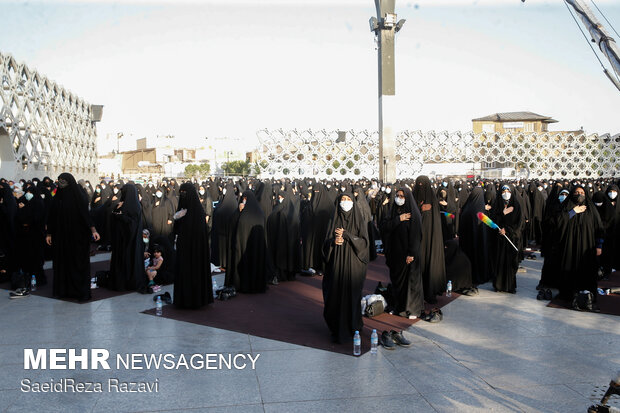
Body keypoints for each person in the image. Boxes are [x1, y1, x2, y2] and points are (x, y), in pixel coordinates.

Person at [322, 192, 369, 343]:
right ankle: (336, 328)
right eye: (342, 199)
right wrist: (333, 243)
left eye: (348, 199)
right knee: (334, 295)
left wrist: (348, 235)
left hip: (353, 266)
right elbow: (324, 244)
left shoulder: (358, 219)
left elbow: (364, 244)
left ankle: (352, 325)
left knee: (351, 297)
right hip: (336, 266)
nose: (345, 202)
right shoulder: (333, 218)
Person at [46, 173, 100, 301]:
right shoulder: (57, 197)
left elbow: (85, 215)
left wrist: (93, 230)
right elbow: (51, 216)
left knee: (77, 263)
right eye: (59, 180)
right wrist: (49, 233)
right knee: (62, 263)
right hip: (61, 237)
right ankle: (63, 290)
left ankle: (79, 290)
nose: (61, 183)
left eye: (64, 180)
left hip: (77, 237)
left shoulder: (78, 197)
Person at [557, 185, 604, 310]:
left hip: (587, 247)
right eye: (576, 192)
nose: (579, 194)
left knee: (587, 271)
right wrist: (573, 212)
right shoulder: (567, 207)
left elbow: (599, 228)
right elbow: (558, 223)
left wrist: (599, 246)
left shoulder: (591, 209)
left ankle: (588, 295)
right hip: (570, 247)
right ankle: (570, 295)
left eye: (582, 192)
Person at [380, 187, 424, 318]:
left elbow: (416, 236)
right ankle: (398, 306)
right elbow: (384, 227)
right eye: (397, 195)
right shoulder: (393, 212)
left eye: (402, 196)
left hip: (408, 254)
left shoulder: (414, 214)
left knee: (410, 283)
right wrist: (398, 219)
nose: (399, 198)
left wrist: (412, 253)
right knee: (397, 282)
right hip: (394, 254)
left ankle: (412, 309)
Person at [173, 182, 212, 309]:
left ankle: (196, 299)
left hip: (195, 253)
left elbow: (199, 234)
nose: (183, 196)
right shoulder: (182, 211)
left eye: (185, 193)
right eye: (181, 193)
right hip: (184, 252)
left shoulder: (198, 213)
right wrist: (178, 217)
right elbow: (176, 230)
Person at [225, 190, 269, 293]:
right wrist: (238, 212)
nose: (244, 201)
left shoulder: (254, 213)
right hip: (248, 246)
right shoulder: (257, 212)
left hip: (248, 247)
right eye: (243, 199)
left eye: (245, 199)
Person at [108, 183, 146, 292]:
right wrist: (116, 211)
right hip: (120, 240)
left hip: (131, 241)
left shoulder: (135, 206)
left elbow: (132, 224)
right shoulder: (121, 204)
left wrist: (121, 216)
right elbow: (112, 217)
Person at [489, 184, 524, 293]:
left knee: (510, 262)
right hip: (499, 239)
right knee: (499, 261)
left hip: (511, 239)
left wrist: (508, 231)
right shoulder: (497, 205)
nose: (505, 193)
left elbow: (519, 224)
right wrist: (502, 214)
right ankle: (498, 285)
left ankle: (510, 286)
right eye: (503, 191)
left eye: (508, 191)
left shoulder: (516, 205)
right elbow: (493, 221)